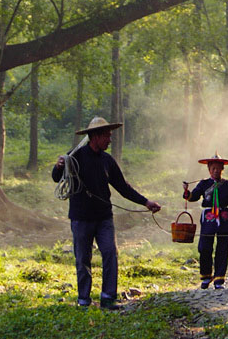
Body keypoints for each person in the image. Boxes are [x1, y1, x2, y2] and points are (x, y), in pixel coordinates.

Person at [52, 116, 161, 310]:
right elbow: (56, 178)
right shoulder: (75, 156)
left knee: (110, 253)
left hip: (104, 217)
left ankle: (108, 297)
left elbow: (123, 187)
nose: (110, 140)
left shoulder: (107, 160)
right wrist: (58, 166)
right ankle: (83, 299)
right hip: (81, 218)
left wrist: (146, 202)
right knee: (82, 259)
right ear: (95, 136)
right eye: (107, 136)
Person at [182, 153, 228, 289]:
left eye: (218, 169)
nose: (216, 171)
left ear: (222, 169)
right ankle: (206, 276)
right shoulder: (203, 184)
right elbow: (193, 197)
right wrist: (187, 192)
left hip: (224, 218)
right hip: (208, 218)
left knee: (223, 248)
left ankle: (219, 279)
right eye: (213, 168)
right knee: (204, 247)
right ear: (209, 169)